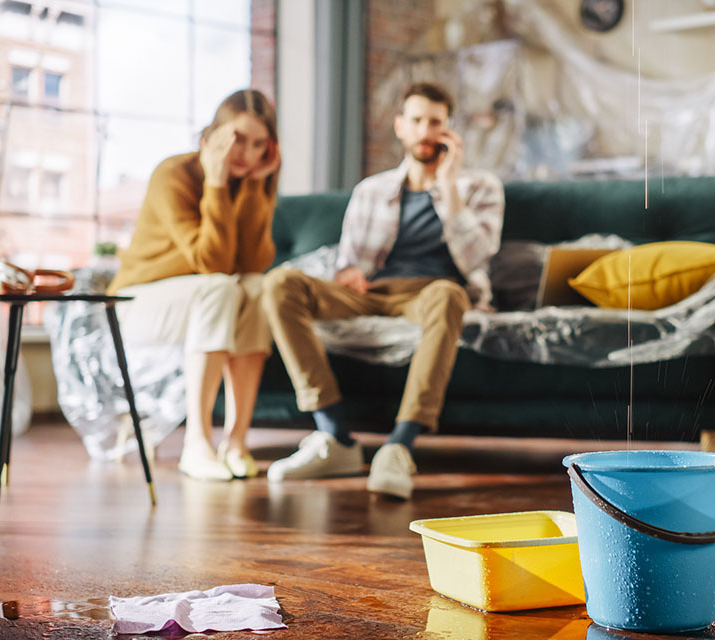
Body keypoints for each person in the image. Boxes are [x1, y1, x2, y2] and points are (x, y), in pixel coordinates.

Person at [261, 82, 504, 499]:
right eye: (417, 120)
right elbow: (349, 263)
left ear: (449, 130)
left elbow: (478, 256)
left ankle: (399, 446)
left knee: (449, 294)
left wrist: (447, 187)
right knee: (280, 283)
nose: (425, 131)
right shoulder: (370, 191)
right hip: (373, 292)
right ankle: (335, 436)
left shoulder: (479, 187)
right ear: (400, 127)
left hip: (434, 294)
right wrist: (349, 273)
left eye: (436, 122)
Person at [108, 89, 281, 482]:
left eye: (258, 144)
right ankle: (197, 444)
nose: (245, 153)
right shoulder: (174, 174)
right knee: (219, 286)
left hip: (203, 299)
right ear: (211, 136)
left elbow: (253, 264)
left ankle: (236, 441)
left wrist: (254, 187)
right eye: (237, 139)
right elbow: (213, 264)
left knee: (257, 288)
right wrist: (216, 184)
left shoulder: (251, 181)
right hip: (137, 302)